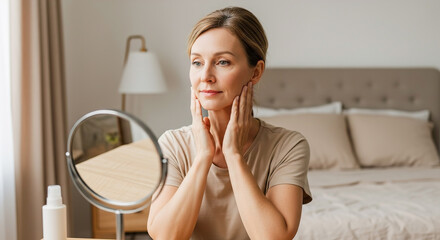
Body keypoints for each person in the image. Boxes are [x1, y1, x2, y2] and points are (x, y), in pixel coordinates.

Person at [147, 6, 312, 240]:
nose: (205, 76)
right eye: (197, 62)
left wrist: (234, 156)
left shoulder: (287, 146)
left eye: (222, 62)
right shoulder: (173, 144)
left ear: (255, 72)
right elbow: (166, 237)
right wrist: (203, 158)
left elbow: (273, 238)